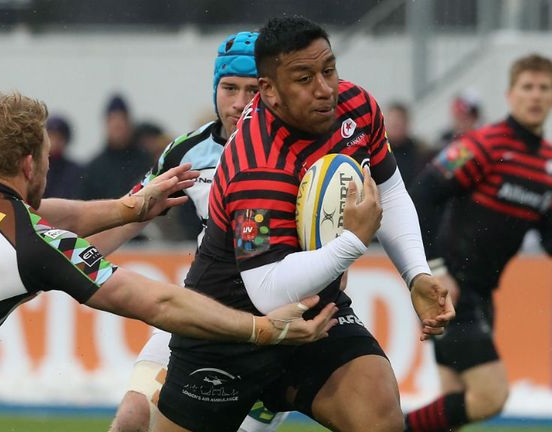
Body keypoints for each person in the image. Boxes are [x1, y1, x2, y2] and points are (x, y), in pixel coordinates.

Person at [0, 91, 338, 432]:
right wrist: (263, 329)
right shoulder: (30, 245)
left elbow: (47, 213)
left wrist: (128, 206)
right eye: (46, 155)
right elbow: (158, 301)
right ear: (30, 161)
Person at [153, 16, 454, 432]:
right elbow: (267, 290)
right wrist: (352, 240)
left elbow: (388, 189)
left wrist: (416, 275)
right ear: (269, 91)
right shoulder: (255, 161)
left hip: (318, 313)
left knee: (380, 416)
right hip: (226, 327)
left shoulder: (357, 108)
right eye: (304, 78)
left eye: (328, 69)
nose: (325, 88)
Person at [95, 32, 290, 432]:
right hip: (198, 314)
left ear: (270, 91)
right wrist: (57, 259)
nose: (238, 102)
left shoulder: (297, 152)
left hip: (270, 330)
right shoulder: (186, 151)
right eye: (229, 88)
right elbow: (132, 215)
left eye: (252, 89)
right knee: (131, 418)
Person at [405, 53, 552, 432]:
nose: (535, 95)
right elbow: (421, 195)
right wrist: (435, 272)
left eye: (544, 88)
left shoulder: (547, 165)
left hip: (483, 293)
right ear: (510, 94)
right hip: (451, 289)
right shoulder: (484, 145)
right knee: (490, 395)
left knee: (452, 408)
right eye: (528, 87)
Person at [80, 94, 153, 200]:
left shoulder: (145, 161)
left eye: (122, 119)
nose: (117, 125)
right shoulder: (94, 169)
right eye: (113, 120)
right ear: (106, 123)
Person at [385, 102, 429, 188]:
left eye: (398, 122)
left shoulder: (420, 150)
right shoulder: (380, 154)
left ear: (407, 123)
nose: (395, 125)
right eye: (392, 122)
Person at [43, 115, 83, 199]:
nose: (54, 143)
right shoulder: (37, 170)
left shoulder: (75, 171)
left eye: (59, 138)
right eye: (51, 137)